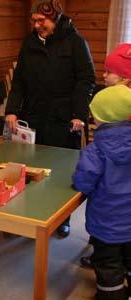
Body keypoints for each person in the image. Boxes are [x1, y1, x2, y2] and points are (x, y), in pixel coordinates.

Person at [4, 0, 96, 238]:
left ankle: (61, 219)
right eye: (33, 21)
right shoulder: (29, 42)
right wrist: (12, 109)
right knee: (27, 168)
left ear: (54, 19)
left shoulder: (76, 42)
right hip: (33, 116)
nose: (36, 25)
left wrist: (79, 113)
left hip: (63, 118)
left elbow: (85, 80)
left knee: (60, 171)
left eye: (41, 21)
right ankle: (24, 215)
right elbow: (19, 80)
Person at [72, 85, 131, 300]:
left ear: (100, 119)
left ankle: (112, 296)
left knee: (108, 268)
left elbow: (83, 182)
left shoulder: (96, 150)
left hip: (107, 226)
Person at [80, 43, 131, 269]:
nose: (104, 75)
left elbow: (85, 178)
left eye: (109, 71)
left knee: (108, 268)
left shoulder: (98, 148)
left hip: (107, 218)